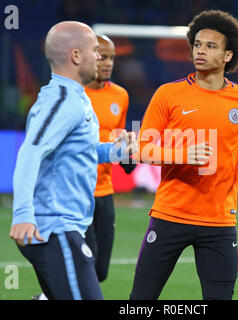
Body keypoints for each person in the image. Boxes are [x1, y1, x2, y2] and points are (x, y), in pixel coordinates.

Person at [130, 10, 238, 300]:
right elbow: (141, 150)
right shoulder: (167, 95)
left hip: (220, 221)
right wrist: (183, 153)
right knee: (140, 301)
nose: (200, 50)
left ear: (227, 56)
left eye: (211, 46)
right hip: (170, 214)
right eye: (197, 44)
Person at [9, 21, 137, 300]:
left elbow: (86, 150)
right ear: (76, 56)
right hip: (55, 230)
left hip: (66, 228)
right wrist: (22, 214)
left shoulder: (77, 98)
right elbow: (30, 152)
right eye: (95, 51)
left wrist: (117, 151)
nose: (100, 58)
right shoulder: (63, 101)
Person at [84, 35, 136, 283]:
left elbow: (117, 137)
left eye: (112, 58)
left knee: (100, 271)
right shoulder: (74, 94)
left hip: (105, 192)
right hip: (78, 193)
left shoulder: (120, 96)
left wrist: (127, 154)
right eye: (103, 57)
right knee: (88, 267)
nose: (108, 63)